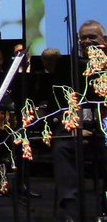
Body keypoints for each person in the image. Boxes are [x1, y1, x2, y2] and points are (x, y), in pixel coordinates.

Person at [52, 19, 107, 221]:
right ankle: (71, 213)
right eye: (82, 37)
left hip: (104, 127)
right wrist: (76, 127)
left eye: (92, 37)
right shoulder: (68, 67)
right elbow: (57, 103)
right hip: (74, 126)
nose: (86, 41)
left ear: (104, 40)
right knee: (61, 148)